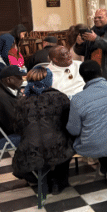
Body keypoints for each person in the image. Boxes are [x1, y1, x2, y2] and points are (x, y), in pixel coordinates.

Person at [12, 67, 74, 195]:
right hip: (59, 148)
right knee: (64, 139)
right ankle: (58, 181)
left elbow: (17, 128)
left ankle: (42, 178)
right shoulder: (60, 97)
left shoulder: (21, 102)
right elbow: (69, 123)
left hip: (29, 150)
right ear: (49, 81)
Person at [0, 65, 24, 156]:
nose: (22, 80)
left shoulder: (11, 91)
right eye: (19, 77)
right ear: (9, 80)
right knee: (40, 136)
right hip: (1, 140)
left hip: (8, 134)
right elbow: (12, 126)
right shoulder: (1, 97)